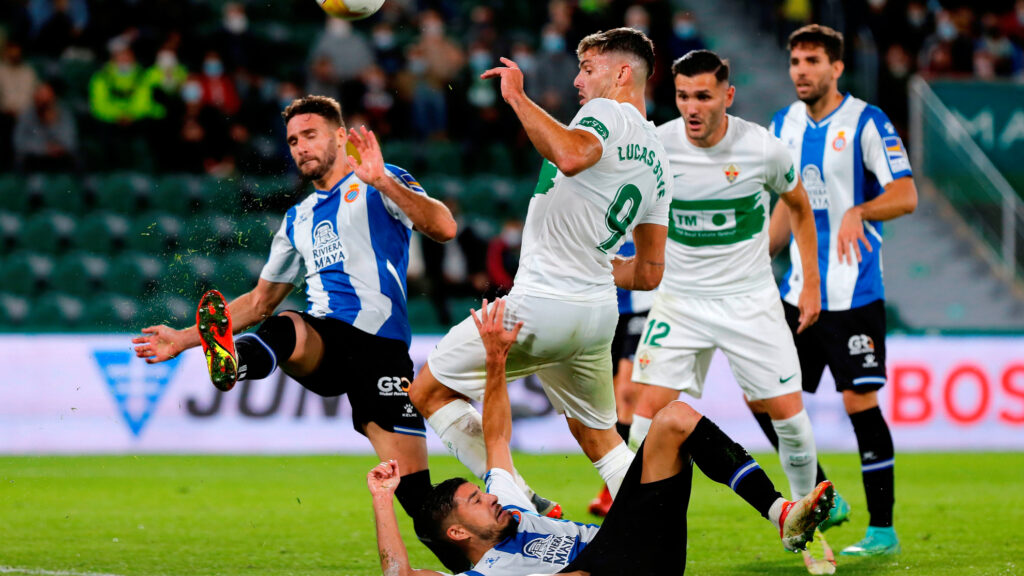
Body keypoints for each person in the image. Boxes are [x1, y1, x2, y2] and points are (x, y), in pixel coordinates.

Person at [132, 95, 458, 560]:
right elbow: (260, 301)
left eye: (310, 135)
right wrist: (184, 339)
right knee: (286, 323)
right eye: (292, 140)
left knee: (419, 501)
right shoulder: (297, 219)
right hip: (326, 342)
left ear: (340, 136)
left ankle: (481, 566)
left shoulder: (378, 179)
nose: (300, 147)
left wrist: (383, 180)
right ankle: (236, 361)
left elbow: (444, 227)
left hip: (382, 353)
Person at [367, 298, 835, 576]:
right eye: (476, 500)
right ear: (457, 532)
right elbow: (399, 574)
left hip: (636, 548)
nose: (489, 497)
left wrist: (496, 360)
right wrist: (383, 499)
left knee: (674, 418)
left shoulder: (511, 507)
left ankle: (780, 512)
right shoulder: (489, 572)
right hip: (613, 565)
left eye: (481, 492)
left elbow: (496, 439)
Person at [407, 28, 672, 517]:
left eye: (587, 69)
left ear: (622, 74)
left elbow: (570, 155)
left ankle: (524, 502)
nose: (577, 81)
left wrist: (517, 97)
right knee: (600, 438)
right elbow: (649, 272)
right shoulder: (659, 159)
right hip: (596, 316)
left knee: (427, 391)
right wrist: (595, 263)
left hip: (542, 304)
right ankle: (654, 527)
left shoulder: (606, 112)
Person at [627, 50, 822, 511]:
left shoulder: (762, 148)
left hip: (749, 299)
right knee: (642, 421)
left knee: (791, 421)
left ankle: (805, 517)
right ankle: (636, 520)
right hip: (681, 301)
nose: (691, 107)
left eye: (703, 96)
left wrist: (811, 282)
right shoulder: (656, 146)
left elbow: (799, 206)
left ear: (728, 96)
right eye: (683, 96)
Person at [758, 24, 918, 557]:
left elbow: (906, 194)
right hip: (797, 291)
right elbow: (787, 207)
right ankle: (825, 495)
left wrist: (860, 211)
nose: (801, 70)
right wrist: (754, 259)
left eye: (812, 61)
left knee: (859, 404)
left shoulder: (869, 122)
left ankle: (883, 531)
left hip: (855, 293)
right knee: (765, 395)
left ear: (837, 68)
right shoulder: (782, 126)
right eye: (795, 61)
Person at [588, 235, 653, 517]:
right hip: (606, 306)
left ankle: (614, 490)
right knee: (612, 401)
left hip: (643, 306)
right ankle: (624, 482)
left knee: (627, 394)